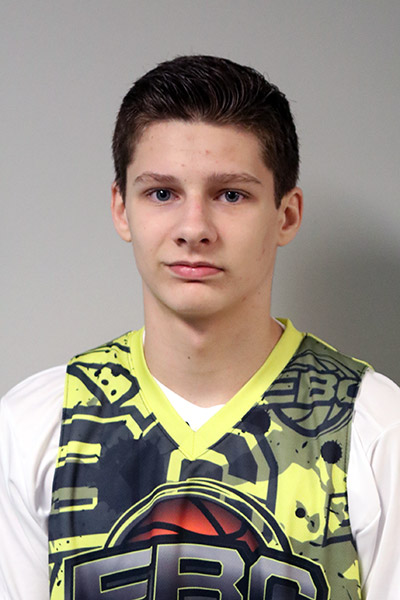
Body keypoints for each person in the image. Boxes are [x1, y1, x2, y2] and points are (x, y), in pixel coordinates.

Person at [0, 55, 399, 600]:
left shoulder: (373, 428)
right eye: (162, 193)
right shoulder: (37, 426)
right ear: (121, 209)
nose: (194, 229)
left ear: (286, 215)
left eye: (231, 194)